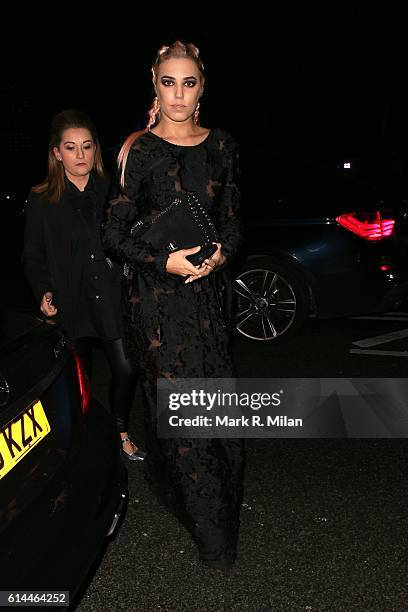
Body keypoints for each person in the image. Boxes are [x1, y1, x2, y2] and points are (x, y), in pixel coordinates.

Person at [102, 41, 244, 569]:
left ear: (202, 88)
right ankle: (213, 539)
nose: (179, 94)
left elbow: (233, 220)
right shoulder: (139, 150)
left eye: (189, 83)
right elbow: (113, 233)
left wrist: (220, 255)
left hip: (209, 296)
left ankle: (215, 508)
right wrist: (166, 262)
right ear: (155, 87)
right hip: (158, 304)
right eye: (169, 82)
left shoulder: (224, 146)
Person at [22, 108, 145, 461]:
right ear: (57, 153)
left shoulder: (113, 192)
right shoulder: (42, 199)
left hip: (112, 296)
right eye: (71, 148)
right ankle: (89, 436)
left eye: (87, 147)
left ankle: (120, 430)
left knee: (126, 366)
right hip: (70, 301)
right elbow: (32, 255)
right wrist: (43, 290)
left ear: (95, 149)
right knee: (81, 379)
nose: (80, 156)